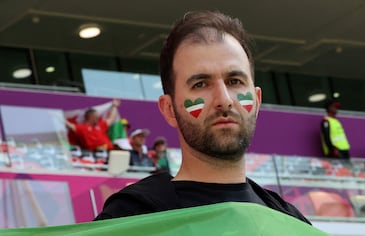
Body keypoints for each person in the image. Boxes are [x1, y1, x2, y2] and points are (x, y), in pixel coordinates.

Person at [94, 11, 308, 224]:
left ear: (257, 100)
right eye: (200, 84)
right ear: (169, 109)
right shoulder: (134, 217)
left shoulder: (290, 222)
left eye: (234, 81)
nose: (224, 100)